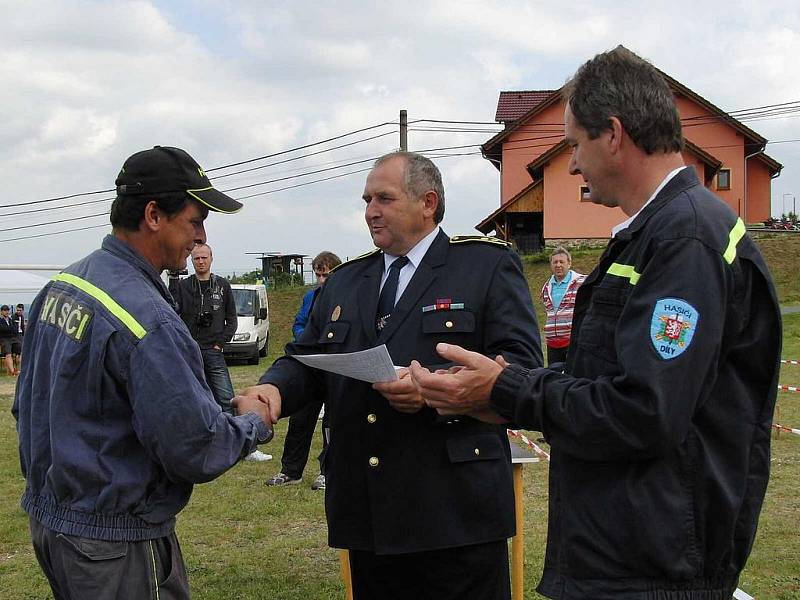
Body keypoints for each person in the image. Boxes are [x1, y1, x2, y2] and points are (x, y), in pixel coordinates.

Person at [409, 46, 782, 600]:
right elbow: (608, 387)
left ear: (613, 134)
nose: (575, 164)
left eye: (575, 144)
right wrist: (496, 397)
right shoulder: (658, 231)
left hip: (651, 564)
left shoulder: (685, 238)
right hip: (626, 547)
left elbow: (645, 411)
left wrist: (511, 388)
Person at [237, 151, 542, 600]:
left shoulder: (485, 266)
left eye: (384, 198)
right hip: (369, 508)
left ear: (428, 202)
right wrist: (273, 389)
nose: (370, 212)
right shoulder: (345, 281)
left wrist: (431, 387)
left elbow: (521, 366)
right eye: (366, 200)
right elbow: (307, 357)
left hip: (453, 510)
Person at [12, 145, 274, 599]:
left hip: (54, 525)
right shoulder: (146, 318)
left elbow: (26, 406)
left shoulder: (65, 285)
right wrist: (254, 422)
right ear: (154, 215)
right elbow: (196, 446)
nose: (200, 237)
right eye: (194, 221)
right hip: (114, 545)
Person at [169, 243, 272, 463]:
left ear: (211, 259)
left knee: (227, 398)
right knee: (192, 400)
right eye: (196, 258)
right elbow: (172, 314)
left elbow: (232, 320)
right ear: (192, 261)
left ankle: (246, 448)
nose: (200, 262)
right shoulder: (184, 286)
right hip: (190, 353)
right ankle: (198, 447)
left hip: (213, 351)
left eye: (204, 258)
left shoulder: (223, 285)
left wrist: (220, 343)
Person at [267, 250, 341, 490]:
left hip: (334, 367)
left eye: (326, 275)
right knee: (300, 421)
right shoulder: (310, 297)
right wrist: (305, 338)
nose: (321, 280)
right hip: (310, 364)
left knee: (332, 422)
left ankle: (328, 471)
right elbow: (300, 323)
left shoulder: (345, 298)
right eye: (318, 275)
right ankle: (290, 471)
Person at [541, 247, 585, 366]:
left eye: (562, 262)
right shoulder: (546, 287)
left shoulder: (582, 283)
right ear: (551, 265)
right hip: (552, 344)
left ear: (569, 263)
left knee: (573, 377)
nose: (558, 265)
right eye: (555, 262)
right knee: (554, 378)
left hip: (573, 342)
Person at [0, 304, 16, 375]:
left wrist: (9, 329)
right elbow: (3, 329)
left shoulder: (10, 320)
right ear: (1, 312)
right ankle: (12, 371)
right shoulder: (0, 320)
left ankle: (19, 370)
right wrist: (9, 329)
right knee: (8, 354)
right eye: (5, 310)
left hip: (12, 338)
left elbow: (15, 329)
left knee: (20, 350)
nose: (6, 312)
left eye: (7, 310)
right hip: (4, 339)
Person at [12, 303, 25, 374]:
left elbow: (22, 326)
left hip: (20, 335)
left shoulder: (22, 317)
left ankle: (18, 368)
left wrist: (23, 334)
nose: (18, 311)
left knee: (19, 353)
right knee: (16, 353)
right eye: (17, 310)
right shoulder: (14, 317)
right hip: (15, 336)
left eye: (20, 310)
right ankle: (16, 368)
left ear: (23, 310)